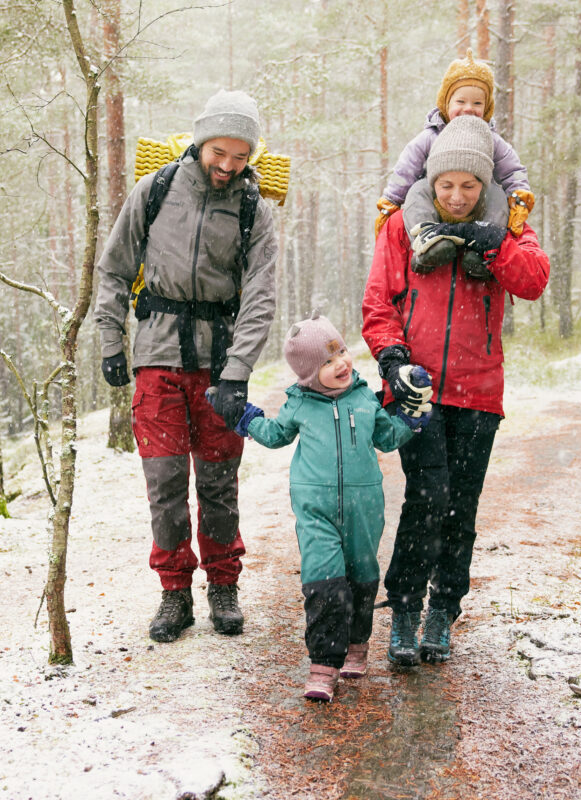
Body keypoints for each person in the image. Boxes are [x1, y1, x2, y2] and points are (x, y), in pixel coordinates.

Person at [362, 115, 550, 667]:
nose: (458, 196)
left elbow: (533, 281)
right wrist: (392, 360)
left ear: (486, 184)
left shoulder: (506, 226)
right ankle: (402, 609)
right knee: (427, 497)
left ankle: (443, 610)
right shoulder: (402, 226)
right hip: (417, 389)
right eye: (447, 184)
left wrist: (493, 243)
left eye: (470, 186)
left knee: (460, 506)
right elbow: (378, 302)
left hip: (478, 392)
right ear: (431, 180)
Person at [94, 90, 278, 643]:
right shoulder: (154, 191)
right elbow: (115, 268)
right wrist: (109, 339)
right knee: (165, 482)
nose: (227, 165)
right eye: (219, 151)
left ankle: (223, 586)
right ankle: (174, 593)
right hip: (157, 357)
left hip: (219, 365)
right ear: (200, 142)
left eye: (240, 156)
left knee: (219, 483)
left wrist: (238, 370)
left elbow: (260, 298)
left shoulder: (254, 209)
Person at [230, 314, 429, 700]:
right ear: (307, 374)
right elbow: (274, 435)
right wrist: (243, 417)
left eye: (340, 352)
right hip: (315, 507)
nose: (340, 363)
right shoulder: (299, 404)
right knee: (324, 581)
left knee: (361, 577)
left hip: (364, 507)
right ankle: (323, 664)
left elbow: (388, 439)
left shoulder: (364, 400)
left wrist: (411, 416)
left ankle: (357, 643)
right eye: (326, 361)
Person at [374, 50, 532, 238]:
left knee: (496, 195)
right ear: (446, 103)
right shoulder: (431, 136)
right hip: (437, 198)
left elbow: (511, 169)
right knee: (417, 191)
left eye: (477, 103)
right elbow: (406, 168)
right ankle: (426, 238)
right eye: (460, 101)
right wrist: (391, 199)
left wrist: (519, 194)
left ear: (486, 107)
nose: (468, 108)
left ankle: (484, 241)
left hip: (475, 202)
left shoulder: (489, 139)